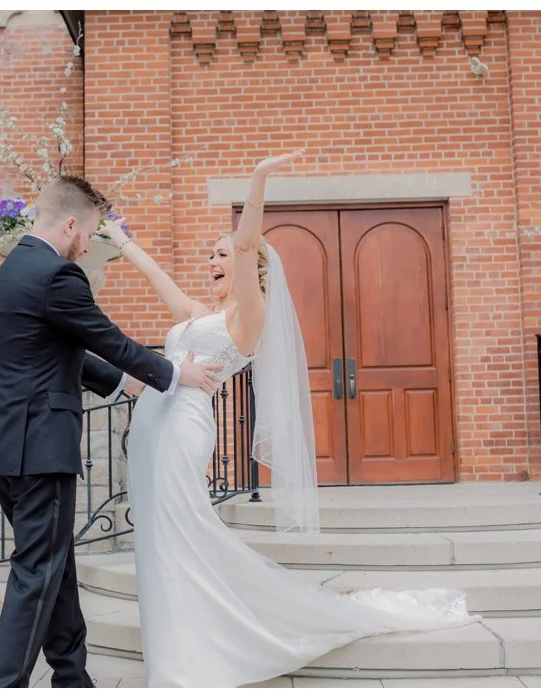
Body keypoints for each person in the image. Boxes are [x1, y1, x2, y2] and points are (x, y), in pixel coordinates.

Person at [107, 150, 476, 687]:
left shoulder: (249, 316)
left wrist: (256, 181)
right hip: (150, 426)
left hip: (184, 427)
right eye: (210, 254)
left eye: (221, 254)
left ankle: (190, 656)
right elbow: (160, 281)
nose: (212, 260)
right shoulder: (197, 316)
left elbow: (247, 240)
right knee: (159, 537)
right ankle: (177, 644)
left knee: (182, 532)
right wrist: (122, 242)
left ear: (245, 264)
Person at [0, 175, 224, 688]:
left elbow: (52, 350)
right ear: (70, 224)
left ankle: (72, 677)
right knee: (37, 573)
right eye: (88, 234)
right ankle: (0, 686)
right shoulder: (57, 275)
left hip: (7, 448)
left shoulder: (8, 273)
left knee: (54, 564)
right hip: (41, 450)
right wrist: (175, 374)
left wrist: (122, 384)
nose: (89, 245)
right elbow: (106, 336)